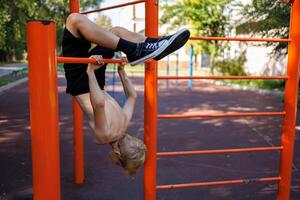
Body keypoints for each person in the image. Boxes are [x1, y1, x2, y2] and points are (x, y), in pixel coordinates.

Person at [62, 13, 190, 175]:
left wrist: (121, 71)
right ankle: (148, 46)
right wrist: (90, 72)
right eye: (117, 163)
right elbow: (98, 104)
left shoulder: (124, 122)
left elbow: (132, 96)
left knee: (115, 32)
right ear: (117, 154)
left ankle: (143, 47)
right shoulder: (104, 136)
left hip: (95, 81)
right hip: (83, 82)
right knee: (75, 20)